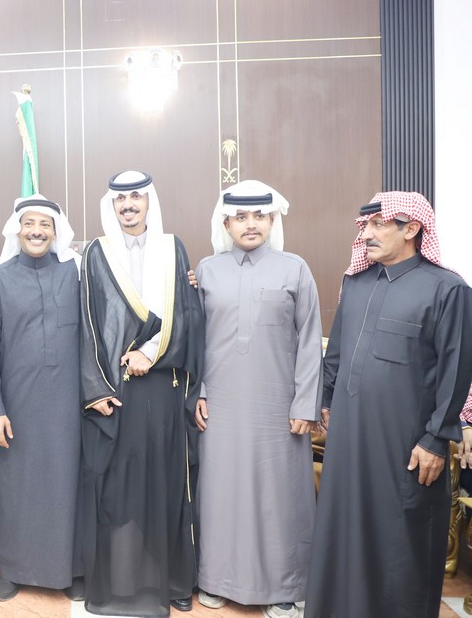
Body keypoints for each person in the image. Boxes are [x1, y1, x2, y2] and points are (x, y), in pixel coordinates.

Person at [306, 191, 472, 618]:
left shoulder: (447, 289)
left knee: (401, 542)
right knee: (344, 531)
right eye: (366, 225)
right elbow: (337, 351)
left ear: (412, 228)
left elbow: (457, 369)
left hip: (406, 447)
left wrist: (435, 439)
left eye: (379, 225)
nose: (368, 233)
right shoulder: (357, 282)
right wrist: (326, 399)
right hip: (349, 438)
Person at [78, 171, 204, 616]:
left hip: (163, 386)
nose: (128, 205)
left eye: (136, 197)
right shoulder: (96, 252)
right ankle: (122, 583)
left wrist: (150, 353)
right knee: (120, 486)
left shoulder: (173, 248)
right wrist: (96, 386)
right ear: (111, 205)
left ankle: (171, 581)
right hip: (116, 390)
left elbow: (188, 314)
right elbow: (87, 321)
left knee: (165, 483)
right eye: (120, 199)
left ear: (149, 201)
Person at [194, 181, 321, 618]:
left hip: (279, 410)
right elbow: (194, 340)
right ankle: (215, 580)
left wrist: (305, 404)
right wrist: (199, 392)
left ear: (272, 221)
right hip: (220, 406)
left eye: (260, 216)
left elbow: (310, 340)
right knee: (220, 492)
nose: (251, 224)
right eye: (241, 217)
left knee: (278, 497)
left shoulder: (295, 269)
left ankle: (283, 587)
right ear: (226, 223)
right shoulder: (206, 271)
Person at [0, 194, 82, 602]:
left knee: (67, 485)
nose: (37, 231)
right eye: (29, 224)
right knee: (17, 489)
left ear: (56, 232)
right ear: (17, 230)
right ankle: (14, 570)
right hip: (16, 405)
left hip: (68, 404)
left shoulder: (75, 274)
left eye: (45, 225)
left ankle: (69, 570)